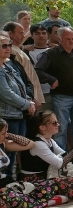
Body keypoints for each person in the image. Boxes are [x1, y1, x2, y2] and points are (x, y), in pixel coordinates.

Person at [35, 27, 73, 159]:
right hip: (61, 96)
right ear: (60, 39)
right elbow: (37, 70)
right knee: (60, 128)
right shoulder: (50, 54)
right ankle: (60, 157)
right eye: (68, 39)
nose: (71, 41)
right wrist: (51, 80)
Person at [20, 110, 73, 200]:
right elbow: (60, 163)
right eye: (54, 123)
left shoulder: (49, 140)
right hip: (34, 179)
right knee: (58, 183)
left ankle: (72, 190)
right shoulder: (38, 144)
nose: (58, 124)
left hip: (46, 175)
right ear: (42, 127)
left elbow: (64, 155)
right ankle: (71, 191)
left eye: (57, 122)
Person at [0, 33, 36, 172]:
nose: (8, 48)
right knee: (6, 150)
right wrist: (27, 105)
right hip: (7, 116)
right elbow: (6, 94)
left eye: (9, 45)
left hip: (18, 113)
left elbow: (20, 86)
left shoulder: (8, 65)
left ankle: (10, 179)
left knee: (14, 151)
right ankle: (5, 182)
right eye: (4, 46)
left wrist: (29, 101)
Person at [3, 22, 44, 109]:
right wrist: (31, 98)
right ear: (10, 34)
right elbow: (19, 78)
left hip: (31, 97)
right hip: (27, 99)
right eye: (20, 33)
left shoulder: (18, 49)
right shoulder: (12, 52)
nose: (23, 35)